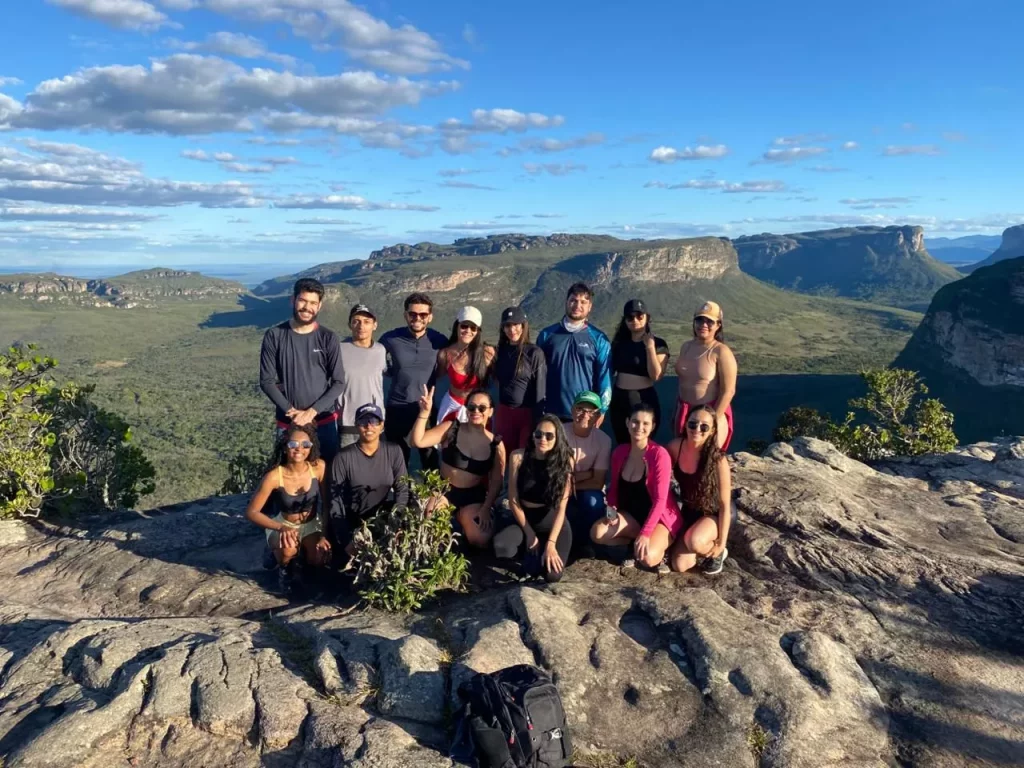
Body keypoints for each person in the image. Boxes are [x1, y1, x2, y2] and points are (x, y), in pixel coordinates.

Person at [410, 385, 505, 549]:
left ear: (490, 411)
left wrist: (485, 508)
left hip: (472, 496)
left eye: (482, 408)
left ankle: (462, 519)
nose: (476, 411)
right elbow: (417, 441)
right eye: (471, 407)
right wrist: (424, 413)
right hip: (444, 490)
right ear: (466, 410)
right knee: (430, 529)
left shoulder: (496, 444)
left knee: (480, 538)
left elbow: (497, 481)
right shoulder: (451, 428)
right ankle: (449, 524)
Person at [259, 278, 344, 461]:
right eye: (303, 301)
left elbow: (338, 382)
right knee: (288, 472)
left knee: (327, 470)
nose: (307, 307)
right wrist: (292, 412)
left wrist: (311, 412)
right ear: (293, 300)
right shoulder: (275, 336)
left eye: (313, 303)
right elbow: (267, 381)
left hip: (323, 422)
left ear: (319, 306)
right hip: (288, 422)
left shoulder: (328, 337)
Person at [590, 402, 681, 571]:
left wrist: (646, 533)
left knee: (647, 559)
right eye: (635, 421)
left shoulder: (659, 455)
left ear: (653, 426)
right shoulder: (620, 452)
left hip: (659, 519)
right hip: (632, 517)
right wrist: (611, 513)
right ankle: (634, 545)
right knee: (598, 533)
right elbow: (614, 490)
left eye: (645, 423)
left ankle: (665, 549)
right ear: (627, 422)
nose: (639, 427)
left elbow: (660, 501)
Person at [245, 423, 331, 594]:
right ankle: (284, 567)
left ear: (311, 447)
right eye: (293, 444)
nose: (299, 449)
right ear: (285, 448)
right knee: (288, 548)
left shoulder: (318, 468)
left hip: (312, 524)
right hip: (284, 524)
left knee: (319, 555)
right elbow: (251, 512)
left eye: (305, 444)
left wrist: (324, 535)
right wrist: (280, 528)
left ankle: (305, 565)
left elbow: (328, 504)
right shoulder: (274, 476)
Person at [494, 415, 573, 582]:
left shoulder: (565, 461)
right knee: (502, 548)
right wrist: (529, 533)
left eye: (549, 436)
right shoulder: (518, 457)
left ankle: (542, 550)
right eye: (538, 434)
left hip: (552, 522)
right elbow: (513, 500)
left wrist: (551, 543)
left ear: (557, 438)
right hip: (524, 520)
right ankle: (528, 556)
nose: (542, 439)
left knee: (552, 575)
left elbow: (561, 509)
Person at [327, 403, 411, 556]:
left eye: (374, 421)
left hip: (384, 520)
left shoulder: (394, 451)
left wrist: (397, 524)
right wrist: (346, 540)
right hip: (353, 523)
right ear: (356, 425)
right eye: (363, 421)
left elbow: (402, 489)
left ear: (382, 425)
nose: (369, 426)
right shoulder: (343, 457)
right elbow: (335, 501)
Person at [380, 293, 449, 467]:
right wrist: (392, 371)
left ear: (430, 317)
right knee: (397, 459)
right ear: (406, 315)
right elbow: (373, 356)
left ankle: (431, 487)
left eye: (423, 314)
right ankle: (401, 486)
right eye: (413, 314)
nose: (417, 318)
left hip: (426, 407)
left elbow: (457, 355)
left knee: (430, 458)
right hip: (397, 407)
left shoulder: (439, 340)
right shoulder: (391, 338)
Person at [666, 404, 733, 574]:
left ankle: (718, 552)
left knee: (694, 542)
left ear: (712, 431)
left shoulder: (718, 459)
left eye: (704, 426)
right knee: (679, 565)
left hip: (714, 513)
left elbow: (724, 504)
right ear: (685, 424)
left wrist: (721, 543)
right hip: (690, 510)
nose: (697, 429)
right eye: (692, 424)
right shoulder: (675, 447)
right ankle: (699, 542)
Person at [536, 282, 612, 424]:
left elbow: (604, 377)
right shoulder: (546, 335)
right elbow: (537, 374)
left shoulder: (599, 339)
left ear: (590, 307)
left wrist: (602, 410)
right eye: (573, 300)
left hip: (584, 414)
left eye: (583, 302)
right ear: (566, 302)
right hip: (551, 413)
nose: (577, 305)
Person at [674, 301, 737, 451]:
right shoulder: (686, 347)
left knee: (707, 458)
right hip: (685, 412)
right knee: (684, 458)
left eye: (710, 321)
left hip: (710, 415)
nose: (704, 325)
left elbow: (728, 391)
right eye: (699, 320)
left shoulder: (721, 351)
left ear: (718, 325)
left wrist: (712, 421)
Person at [610, 299, 669, 445]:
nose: (635, 320)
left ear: (647, 317)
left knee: (642, 443)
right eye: (630, 317)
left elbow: (656, 375)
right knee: (622, 444)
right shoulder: (619, 343)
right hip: (619, 399)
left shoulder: (659, 344)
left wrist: (650, 347)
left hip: (643, 400)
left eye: (639, 316)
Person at [494, 306, 547, 454]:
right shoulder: (498, 351)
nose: (512, 330)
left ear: (523, 326)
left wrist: (538, 420)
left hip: (527, 416)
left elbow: (540, 389)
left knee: (522, 458)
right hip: (504, 413)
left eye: (516, 324)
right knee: (502, 456)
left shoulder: (534, 353)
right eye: (507, 325)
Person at [562, 391, 612, 545]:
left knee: (593, 502)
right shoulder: (559, 433)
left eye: (591, 412)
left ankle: (587, 543)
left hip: (584, 488)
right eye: (580, 409)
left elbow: (598, 482)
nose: (585, 415)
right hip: (560, 487)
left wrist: (571, 486)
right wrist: (589, 473)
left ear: (598, 417)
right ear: (572, 410)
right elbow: (560, 476)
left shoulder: (604, 440)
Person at [337, 304, 387, 449]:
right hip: (348, 422)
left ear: (374, 325)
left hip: (375, 421)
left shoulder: (380, 350)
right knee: (347, 461)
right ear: (350, 325)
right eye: (356, 321)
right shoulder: (339, 349)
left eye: (367, 322)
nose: (361, 326)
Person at [435, 306, 495, 423]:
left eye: (473, 328)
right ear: (457, 326)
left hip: (478, 409)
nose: (468, 331)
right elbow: (437, 378)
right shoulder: (445, 354)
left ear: (478, 331)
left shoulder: (487, 353)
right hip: (452, 406)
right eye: (464, 326)